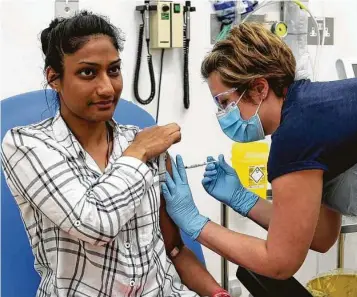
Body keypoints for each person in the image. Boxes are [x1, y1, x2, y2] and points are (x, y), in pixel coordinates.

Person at [161, 22, 357, 297]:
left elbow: (280, 263)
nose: (223, 115)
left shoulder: (297, 135)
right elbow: (321, 236)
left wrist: (195, 222)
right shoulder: (312, 110)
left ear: (260, 88)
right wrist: (243, 199)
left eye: (225, 102)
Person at [1, 11, 231, 297]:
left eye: (114, 70)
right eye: (88, 72)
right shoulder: (26, 145)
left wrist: (217, 293)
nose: (107, 88)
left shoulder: (141, 141)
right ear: (54, 78)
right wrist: (137, 152)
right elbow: (94, 225)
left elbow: (174, 249)